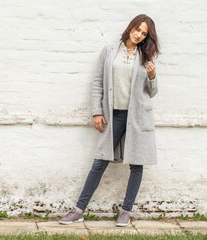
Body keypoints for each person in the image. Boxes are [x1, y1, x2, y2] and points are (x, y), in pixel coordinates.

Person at [60, 14, 161, 227]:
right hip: (113, 114)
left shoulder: (145, 56)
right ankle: (79, 210)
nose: (139, 35)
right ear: (130, 27)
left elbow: (151, 92)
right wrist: (97, 111)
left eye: (143, 34)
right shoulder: (110, 51)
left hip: (137, 117)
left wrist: (152, 77)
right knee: (100, 162)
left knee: (136, 165)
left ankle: (126, 211)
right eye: (137, 29)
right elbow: (98, 81)